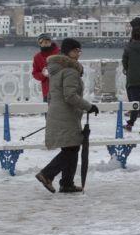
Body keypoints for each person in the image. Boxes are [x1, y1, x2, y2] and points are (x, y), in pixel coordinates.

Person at [35, 38, 96, 193]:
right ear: (68, 51)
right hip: (66, 114)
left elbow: (51, 94)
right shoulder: (70, 70)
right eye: (75, 50)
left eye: (79, 50)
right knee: (71, 149)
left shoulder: (56, 69)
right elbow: (70, 96)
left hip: (58, 112)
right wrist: (89, 107)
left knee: (71, 147)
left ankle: (67, 183)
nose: (78, 53)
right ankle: (47, 174)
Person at [31, 33, 57, 102]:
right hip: (47, 90)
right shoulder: (37, 57)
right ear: (39, 43)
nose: (45, 44)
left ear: (51, 42)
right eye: (42, 42)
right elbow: (35, 73)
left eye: (47, 41)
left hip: (61, 88)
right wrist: (43, 74)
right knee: (48, 108)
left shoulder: (59, 53)